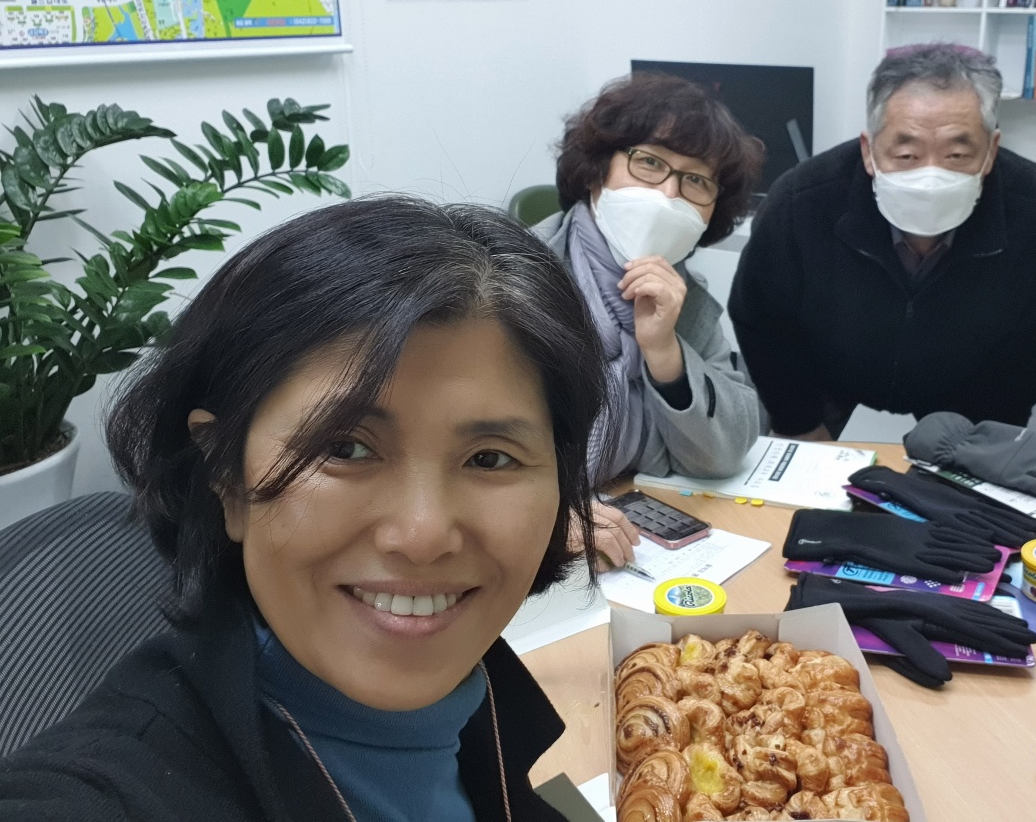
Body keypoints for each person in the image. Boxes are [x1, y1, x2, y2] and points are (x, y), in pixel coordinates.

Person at [0, 197, 610, 822]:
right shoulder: (108, 795)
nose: (422, 534)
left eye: (489, 459)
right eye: (343, 448)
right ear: (225, 476)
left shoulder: (480, 694)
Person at [729, 43, 1036, 440]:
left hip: (969, 384)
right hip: (825, 371)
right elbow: (762, 320)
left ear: (990, 152)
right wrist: (799, 423)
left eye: (956, 155)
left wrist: (983, 437)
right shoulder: (801, 202)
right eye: (907, 155)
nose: (930, 177)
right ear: (869, 150)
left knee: (967, 473)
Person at [534, 74, 765, 567]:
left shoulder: (684, 297)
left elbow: (728, 448)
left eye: (696, 181)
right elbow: (453, 444)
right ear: (597, 170)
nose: (668, 194)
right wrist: (541, 518)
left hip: (627, 528)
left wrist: (665, 353)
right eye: (650, 163)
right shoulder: (513, 274)